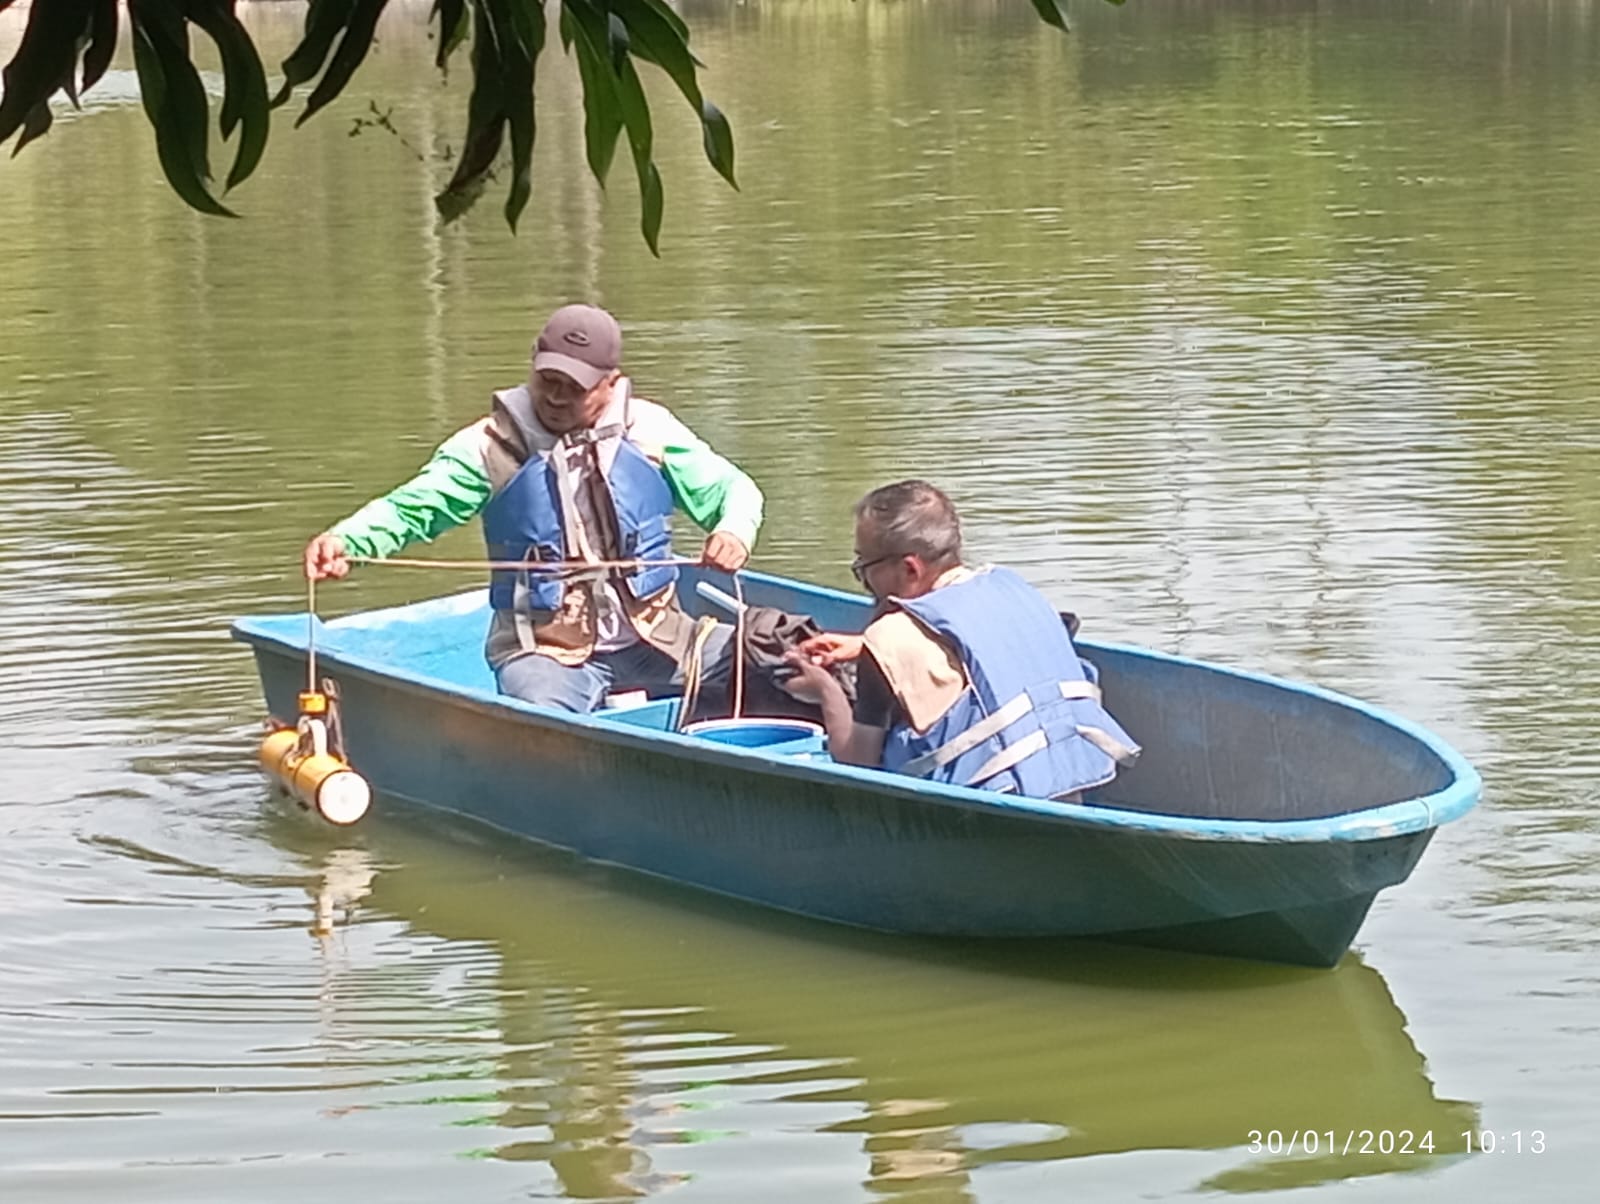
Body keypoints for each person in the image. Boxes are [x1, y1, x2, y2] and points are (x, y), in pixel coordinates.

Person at [303, 303, 763, 713]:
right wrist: (349, 539)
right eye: (549, 381)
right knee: (546, 726)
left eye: (575, 388)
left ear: (612, 384)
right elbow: (413, 507)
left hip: (659, 639)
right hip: (544, 652)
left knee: (779, 664)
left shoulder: (650, 431)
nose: (557, 398)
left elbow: (735, 491)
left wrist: (733, 533)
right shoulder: (487, 448)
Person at [782, 480, 1139, 799]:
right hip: (1072, 788)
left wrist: (825, 690)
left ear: (910, 568)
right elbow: (978, 648)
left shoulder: (889, 639)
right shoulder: (1011, 589)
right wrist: (862, 644)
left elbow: (856, 763)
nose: (863, 580)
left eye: (864, 566)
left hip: (994, 812)